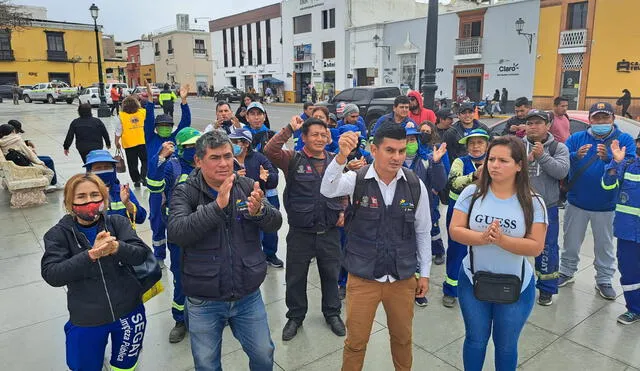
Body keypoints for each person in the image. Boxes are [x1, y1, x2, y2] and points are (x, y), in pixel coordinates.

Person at [320, 123, 432, 370]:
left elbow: (423, 231)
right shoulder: (357, 180)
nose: (397, 157)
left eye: (401, 151)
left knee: (403, 340)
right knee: (356, 343)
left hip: (402, 279)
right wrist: (341, 157)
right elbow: (327, 189)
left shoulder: (414, 185)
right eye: (390, 150)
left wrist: (424, 273)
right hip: (363, 278)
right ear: (374, 149)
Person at [167, 130, 282, 370]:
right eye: (215, 158)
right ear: (199, 161)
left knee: (264, 354)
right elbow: (177, 232)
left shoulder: (248, 185)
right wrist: (217, 206)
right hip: (203, 300)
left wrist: (260, 211)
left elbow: (276, 222)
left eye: (228, 156)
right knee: (207, 363)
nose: (224, 164)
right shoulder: (185, 191)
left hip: (247, 295)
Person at [449, 136, 547, 371]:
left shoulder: (533, 202)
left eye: (503, 160)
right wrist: (483, 238)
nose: (494, 165)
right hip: (473, 281)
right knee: (475, 339)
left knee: (505, 345)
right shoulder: (471, 193)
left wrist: (502, 240)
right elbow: (455, 230)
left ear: (519, 165)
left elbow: (535, 246)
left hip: (516, 286)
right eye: (491, 159)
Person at [41, 173, 150, 371]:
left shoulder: (118, 222)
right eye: (81, 196)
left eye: (94, 194)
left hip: (129, 312)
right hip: (86, 319)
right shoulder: (58, 234)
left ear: (104, 198)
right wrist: (91, 255)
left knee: (126, 365)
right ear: (69, 202)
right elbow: (52, 274)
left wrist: (117, 248)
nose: (89, 201)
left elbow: (141, 254)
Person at [265, 116, 346, 341]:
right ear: (304, 138)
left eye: (323, 134)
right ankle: (295, 316)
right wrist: (289, 127)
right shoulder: (293, 159)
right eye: (315, 135)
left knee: (331, 274)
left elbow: (342, 189)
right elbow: (270, 150)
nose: (320, 138)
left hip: (329, 231)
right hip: (301, 233)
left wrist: (343, 211)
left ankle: (332, 313)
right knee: (295, 277)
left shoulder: (335, 160)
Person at [559, 102, 636, 299]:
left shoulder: (624, 139)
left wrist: (610, 158)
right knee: (571, 241)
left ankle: (604, 279)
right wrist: (575, 156)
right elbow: (563, 161)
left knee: (605, 245)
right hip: (576, 201)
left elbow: (631, 165)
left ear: (612, 118)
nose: (601, 122)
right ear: (591, 120)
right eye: (597, 118)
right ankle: (567, 271)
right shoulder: (577, 138)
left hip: (607, 204)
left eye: (605, 118)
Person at [147, 127, 201, 343]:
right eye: (191, 146)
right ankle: (180, 319)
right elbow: (154, 185)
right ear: (180, 148)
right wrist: (159, 159)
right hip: (179, 230)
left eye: (199, 145)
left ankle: (212, 313)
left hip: (204, 228)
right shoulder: (172, 167)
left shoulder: (206, 164)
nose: (196, 150)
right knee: (181, 275)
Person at [522, 110, 570, 306]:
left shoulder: (558, 147)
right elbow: (506, 167)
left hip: (546, 206)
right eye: (530, 123)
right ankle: (516, 282)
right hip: (519, 204)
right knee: (513, 244)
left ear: (548, 125)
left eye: (538, 123)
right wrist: (526, 160)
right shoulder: (516, 145)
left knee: (547, 248)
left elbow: (561, 172)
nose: (533, 126)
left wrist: (542, 157)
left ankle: (546, 289)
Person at [143, 83, 191, 267]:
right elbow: (148, 120)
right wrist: (149, 101)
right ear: (156, 127)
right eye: (161, 125)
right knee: (156, 219)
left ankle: (177, 251)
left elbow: (185, 123)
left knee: (174, 219)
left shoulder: (175, 139)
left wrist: (184, 101)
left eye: (168, 125)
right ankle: (159, 254)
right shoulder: (151, 138)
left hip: (173, 189)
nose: (165, 128)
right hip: (156, 191)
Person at [443, 129, 490, 308]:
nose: (476, 146)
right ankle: (450, 289)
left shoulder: (492, 162)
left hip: (483, 212)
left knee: (482, 251)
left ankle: (478, 287)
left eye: (480, 143)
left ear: (487, 145)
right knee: (457, 250)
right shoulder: (460, 162)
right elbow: (453, 183)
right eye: (472, 143)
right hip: (459, 212)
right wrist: (474, 175)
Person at [404, 126, 447, 306]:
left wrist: (437, 164)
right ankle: (407, 286)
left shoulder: (427, 160)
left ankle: (419, 289)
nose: (409, 144)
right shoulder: (394, 161)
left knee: (422, 249)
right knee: (406, 251)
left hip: (423, 213)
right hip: (400, 215)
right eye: (406, 140)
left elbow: (440, 182)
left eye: (413, 140)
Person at [230, 127, 283, 268]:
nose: (233, 144)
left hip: (257, 202)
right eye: (232, 141)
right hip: (236, 203)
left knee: (263, 230)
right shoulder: (228, 160)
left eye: (236, 141)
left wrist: (266, 177)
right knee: (241, 229)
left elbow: (274, 178)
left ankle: (268, 255)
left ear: (246, 143)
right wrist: (234, 176)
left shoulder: (259, 158)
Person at [602, 138, 640, 324]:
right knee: (630, 272)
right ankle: (634, 309)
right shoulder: (627, 165)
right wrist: (615, 162)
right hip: (628, 233)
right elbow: (607, 185)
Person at [83, 149, 147, 228]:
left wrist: (127, 203)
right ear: (89, 171)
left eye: (107, 167)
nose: (103, 170)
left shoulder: (122, 191)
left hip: (124, 238)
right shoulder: (83, 194)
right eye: (98, 168)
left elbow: (141, 218)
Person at [8, 119, 60, 187]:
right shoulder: (16, 139)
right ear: (13, 130)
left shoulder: (5, 137)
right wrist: (40, 162)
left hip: (19, 159)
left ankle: (53, 182)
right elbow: (29, 154)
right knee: (49, 161)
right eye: (18, 131)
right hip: (23, 160)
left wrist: (26, 142)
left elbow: (16, 146)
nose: (18, 133)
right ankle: (53, 183)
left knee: (48, 158)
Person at [115, 96, 148, 188]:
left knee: (132, 164)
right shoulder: (142, 113)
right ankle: (143, 176)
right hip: (141, 141)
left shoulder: (121, 116)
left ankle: (136, 180)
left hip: (129, 144)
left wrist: (116, 142)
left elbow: (118, 131)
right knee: (145, 160)